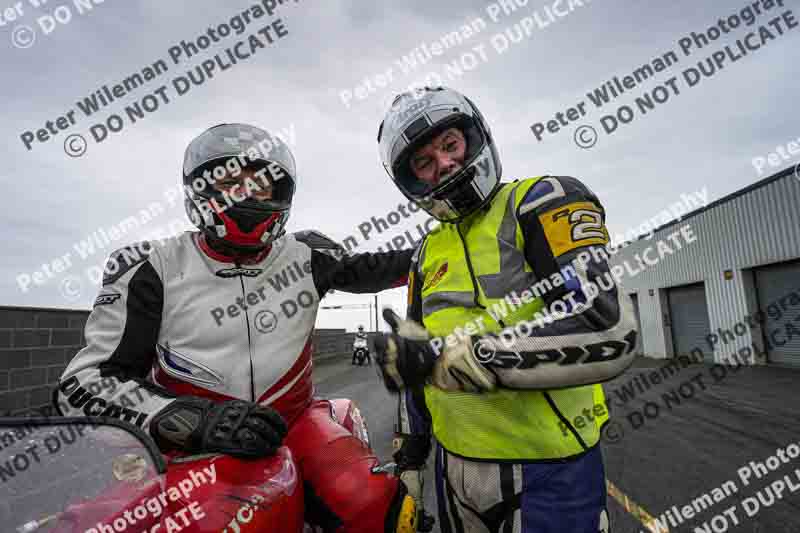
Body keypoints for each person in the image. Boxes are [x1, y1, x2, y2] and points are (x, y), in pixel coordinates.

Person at [54, 123, 419, 533]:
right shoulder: (150, 266)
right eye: (229, 182)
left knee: (376, 502)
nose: (246, 196)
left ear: (281, 196)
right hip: (188, 443)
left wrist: (456, 236)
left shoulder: (309, 254)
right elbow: (82, 384)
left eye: (260, 185)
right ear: (199, 189)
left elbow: (381, 267)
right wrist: (192, 419)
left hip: (295, 422)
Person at [373, 87, 639, 533]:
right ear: (412, 180)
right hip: (452, 472)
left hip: (551, 472)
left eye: (449, 144)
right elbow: (415, 368)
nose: (443, 163)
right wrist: (410, 460)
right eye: (423, 161)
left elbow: (610, 331)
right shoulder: (424, 254)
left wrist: (476, 356)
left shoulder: (542, 200)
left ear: (475, 138)